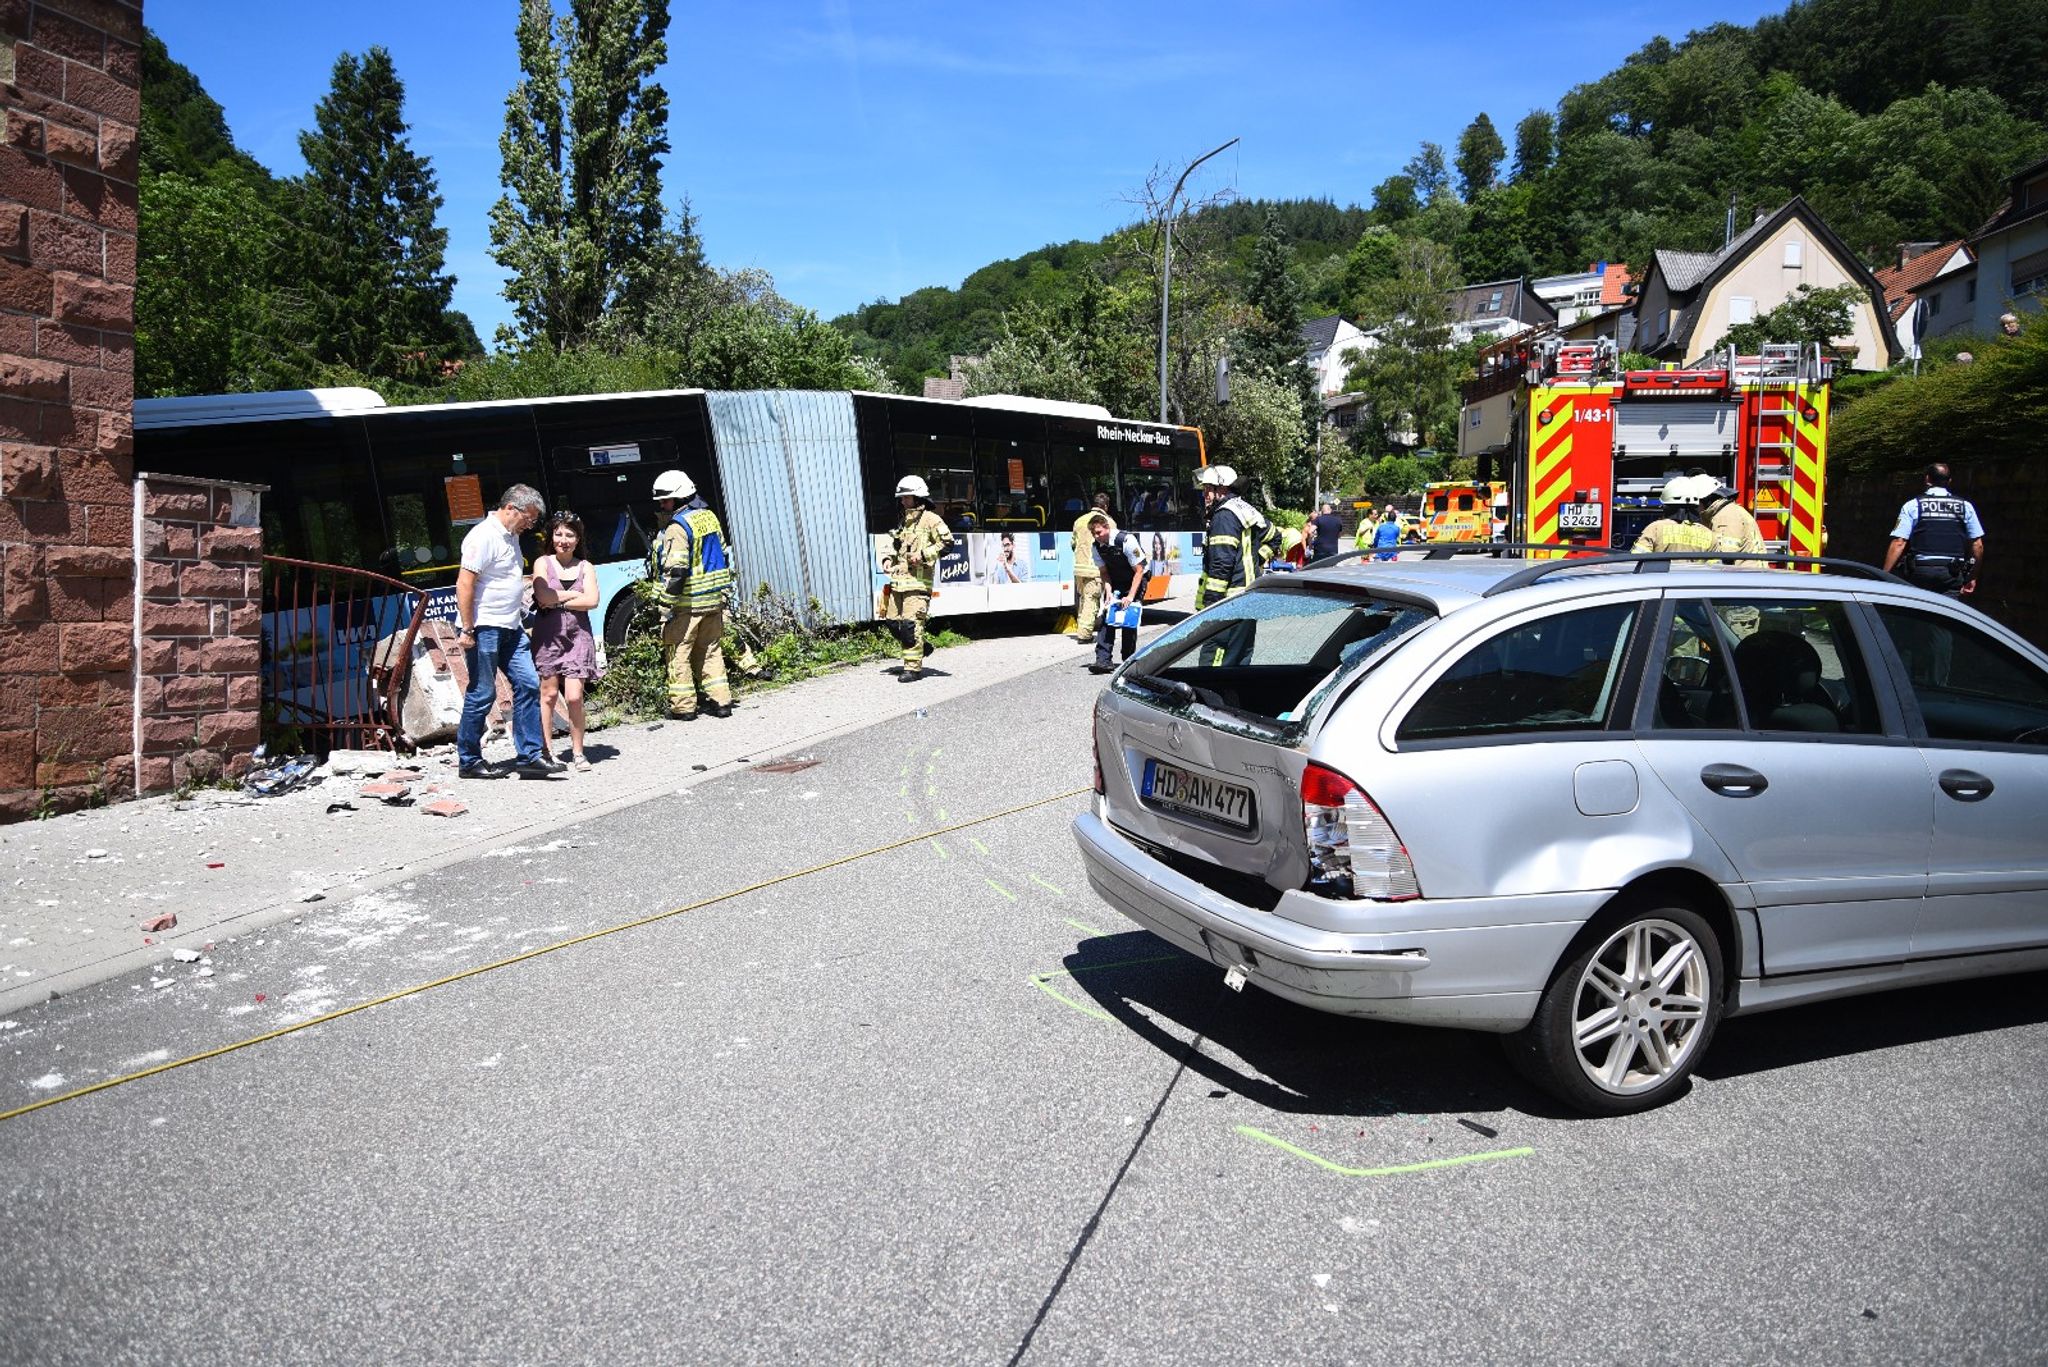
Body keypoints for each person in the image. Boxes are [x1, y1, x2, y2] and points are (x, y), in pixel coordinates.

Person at [454, 485, 562, 781]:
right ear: (512, 508)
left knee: (528, 684)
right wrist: (467, 628)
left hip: (510, 626)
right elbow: (465, 584)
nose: (531, 525)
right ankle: (469, 760)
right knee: (483, 693)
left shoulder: (511, 536)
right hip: (484, 626)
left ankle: (529, 756)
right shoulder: (483, 536)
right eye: (529, 518)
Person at [650, 468, 735, 719]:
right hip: (713, 602)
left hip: (687, 605)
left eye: (666, 500)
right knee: (711, 651)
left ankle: (684, 708)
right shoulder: (709, 517)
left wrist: (665, 605)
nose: (663, 506)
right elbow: (722, 553)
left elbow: (676, 572)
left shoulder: (677, 526)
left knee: (678, 654)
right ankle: (721, 703)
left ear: (681, 497)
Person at [531, 511, 600, 770]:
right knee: (548, 694)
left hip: (578, 638)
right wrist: (573, 596)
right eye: (558, 534)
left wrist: (557, 597)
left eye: (569, 535)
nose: (563, 539)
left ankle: (578, 753)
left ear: (578, 538)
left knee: (573, 697)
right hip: (548, 637)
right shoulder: (542, 563)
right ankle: (547, 752)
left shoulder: (586, 567)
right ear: (551, 536)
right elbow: (542, 597)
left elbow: (592, 601)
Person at [882, 474, 954, 681]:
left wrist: (922, 555)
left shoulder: (932, 519)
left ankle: (912, 668)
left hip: (918, 583)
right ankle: (922, 647)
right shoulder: (904, 520)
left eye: (906, 497)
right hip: (898, 583)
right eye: (902, 498)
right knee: (893, 624)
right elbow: (895, 544)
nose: (903, 501)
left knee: (910, 626)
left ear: (918, 497)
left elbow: (948, 544)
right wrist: (888, 559)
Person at [1882, 462, 1985, 597]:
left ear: (1927, 479)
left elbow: (1899, 542)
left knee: (1918, 614)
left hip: (1920, 572)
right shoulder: (1966, 506)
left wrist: (1884, 576)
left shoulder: (1913, 505)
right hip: (1952, 573)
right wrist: (1972, 576)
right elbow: (1978, 546)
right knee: (1948, 615)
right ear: (1949, 481)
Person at [1194, 465, 1279, 609]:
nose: (1204, 494)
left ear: (1222, 489)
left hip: (1230, 603)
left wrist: (1211, 605)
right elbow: (1275, 536)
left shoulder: (1224, 516)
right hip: (1247, 596)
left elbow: (1221, 564)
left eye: (1208, 488)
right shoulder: (1245, 509)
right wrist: (1256, 560)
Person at [1085, 513, 1150, 674]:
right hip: (1116, 580)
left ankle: (1128, 660)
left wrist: (1130, 597)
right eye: (1094, 533)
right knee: (1108, 616)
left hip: (1136, 578)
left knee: (1128, 617)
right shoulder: (1096, 547)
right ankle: (1103, 660)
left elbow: (1139, 570)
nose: (1096, 536)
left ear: (1107, 527)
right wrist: (1108, 592)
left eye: (1099, 532)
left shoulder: (1126, 540)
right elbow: (1104, 572)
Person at [1630, 475, 1719, 556]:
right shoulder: (1710, 536)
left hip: (1663, 574)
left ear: (1666, 506)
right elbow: (1715, 569)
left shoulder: (1655, 529)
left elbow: (1636, 559)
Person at [1069, 492, 1112, 643]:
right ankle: (1085, 635)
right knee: (1091, 600)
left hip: (1079, 568)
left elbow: (1073, 544)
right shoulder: (1107, 522)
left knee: (1083, 600)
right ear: (1105, 506)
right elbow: (1110, 546)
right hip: (1094, 568)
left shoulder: (1079, 521)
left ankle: (1082, 628)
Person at [1693, 476, 1767, 561]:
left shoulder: (1725, 516)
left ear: (1705, 500)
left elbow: (1724, 557)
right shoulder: (1724, 511)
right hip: (1744, 571)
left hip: (1747, 572)